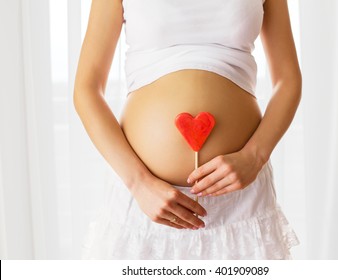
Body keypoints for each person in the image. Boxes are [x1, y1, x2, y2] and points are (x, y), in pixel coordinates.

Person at [74, 0, 301, 259]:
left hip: (240, 202)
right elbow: (86, 90)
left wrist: (255, 156)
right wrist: (139, 184)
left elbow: (288, 80)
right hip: (145, 203)